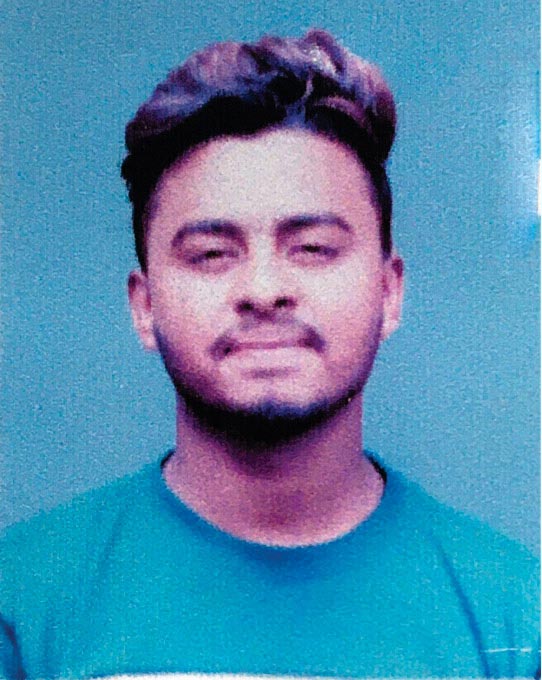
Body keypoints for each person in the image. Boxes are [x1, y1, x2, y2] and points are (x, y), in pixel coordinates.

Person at [0, 29, 539, 680]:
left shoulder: (517, 620)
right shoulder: (21, 605)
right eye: (211, 254)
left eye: (312, 248)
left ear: (388, 291)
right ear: (144, 306)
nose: (263, 290)